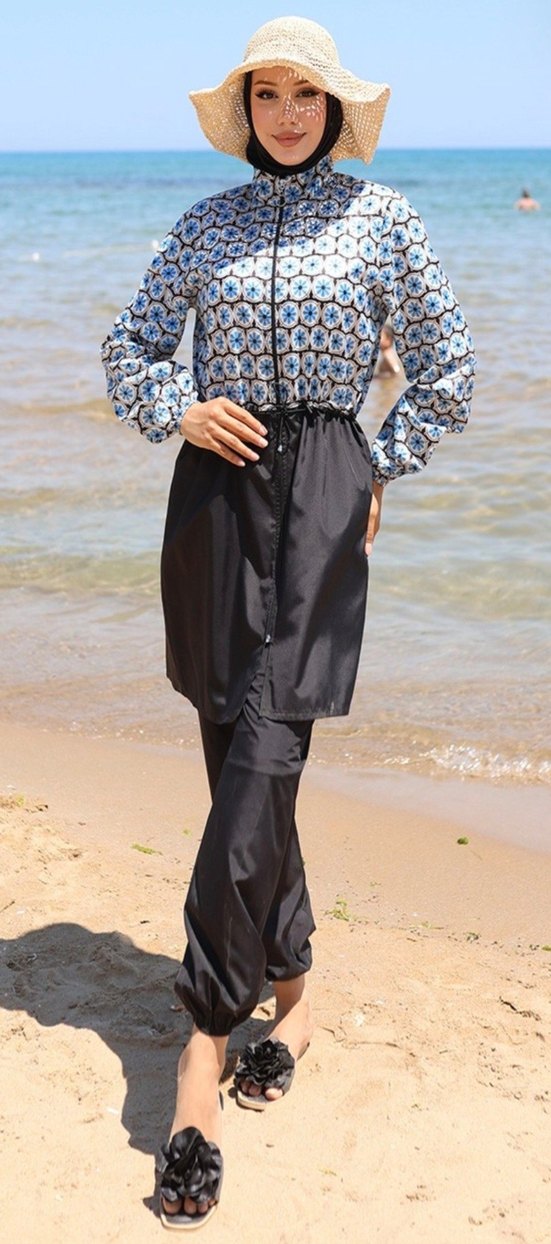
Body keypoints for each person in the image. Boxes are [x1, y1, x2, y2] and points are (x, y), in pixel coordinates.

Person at [101, 15, 476, 1229]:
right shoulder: (204, 224)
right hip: (212, 499)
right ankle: (297, 995)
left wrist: (374, 465)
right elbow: (127, 349)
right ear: (247, 111)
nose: (285, 113)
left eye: (303, 94)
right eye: (265, 95)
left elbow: (447, 369)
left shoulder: (383, 220)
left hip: (319, 493)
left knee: (265, 753)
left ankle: (200, 1048)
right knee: (236, 758)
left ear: (333, 107)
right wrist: (179, 404)